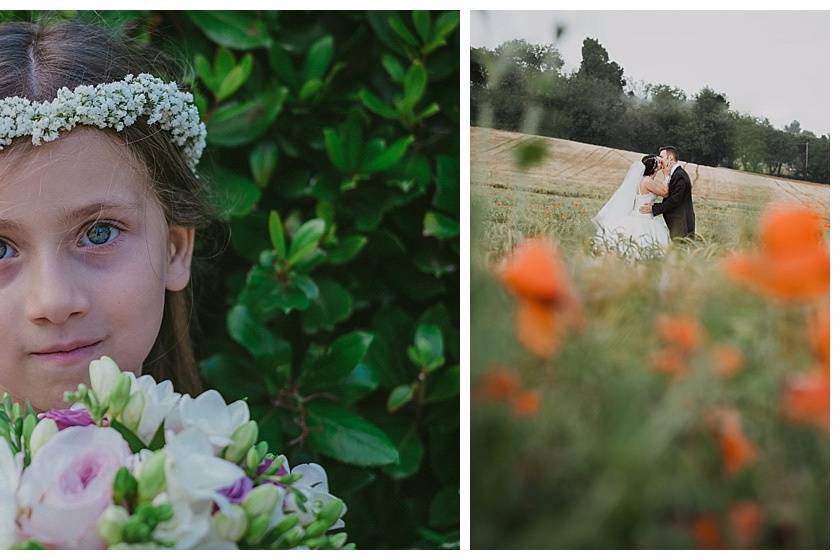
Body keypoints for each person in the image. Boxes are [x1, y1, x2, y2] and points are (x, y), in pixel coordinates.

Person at [0, 20, 219, 411]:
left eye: (99, 232)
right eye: (1, 249)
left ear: (174, 248)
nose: (54, 301)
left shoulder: (250, 470)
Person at [591, 154, 671, 258]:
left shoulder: (643, 179)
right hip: (642, 218)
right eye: (659, 163)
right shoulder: (647, 181)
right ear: (655, 167)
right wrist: (667, 175)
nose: (662, 164)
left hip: (643, 215)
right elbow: (665, 193)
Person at [639, 145, 695, 239]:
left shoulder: (680, 175)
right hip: (676, 223)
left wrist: (653, 208)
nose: (660, 160)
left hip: (682, 223)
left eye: (661, 157)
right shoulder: (675, 174)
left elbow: (674, 201)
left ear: (670, 158)